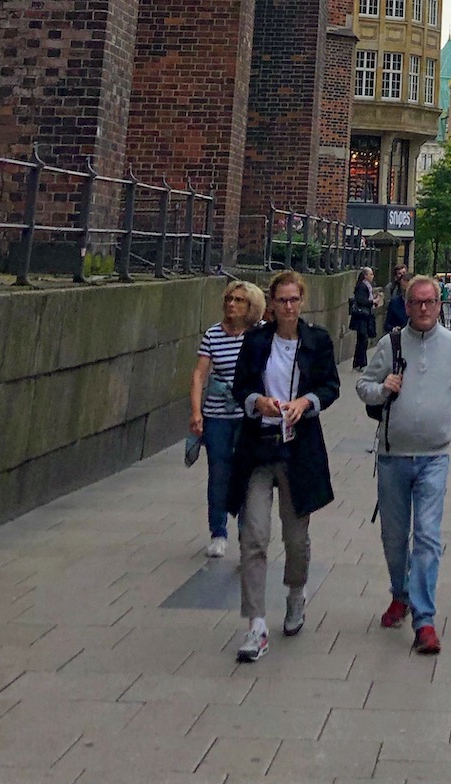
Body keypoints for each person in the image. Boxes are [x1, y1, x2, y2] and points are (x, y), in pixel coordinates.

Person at [358, 274, 451, 656]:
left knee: (427, 536)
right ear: (407, 306)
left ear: (440, 305)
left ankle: (424, 619)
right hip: (393, 457)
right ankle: (401, 593)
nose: (424, 308)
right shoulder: (390, 344)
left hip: (434, 458)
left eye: (430, 302)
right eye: (417, 302)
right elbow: (363, 386)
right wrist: (382, 389)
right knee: (395, 537)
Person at [226, 270, 340, 663]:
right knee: (254, 535)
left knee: (295, 536)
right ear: (271, 304)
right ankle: (256, 623)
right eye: (281, 300)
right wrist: (257, 401)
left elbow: (330, 386)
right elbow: (240, 386)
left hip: (298, 450)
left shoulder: (317, 340)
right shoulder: (257, 341)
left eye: (294, 300)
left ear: (301, 301)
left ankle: (295, 592)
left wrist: (305, 403)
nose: (288, 307)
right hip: (259, 448)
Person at [188, 279, 264, 559]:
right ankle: (218, 532)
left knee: (246, 475)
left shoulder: (259, 334)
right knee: (219, 473)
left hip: (248, 416)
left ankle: (247, 534)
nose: (231, 304)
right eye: (228, 299)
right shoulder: (213, 334)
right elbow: (199, 374)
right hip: (218, 415)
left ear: (251, 306)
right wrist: (196, 412)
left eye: (238, 300)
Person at [349, 268, 376, 370]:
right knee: (362, 339)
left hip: (365, 315)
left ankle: (358, 363)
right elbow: (361, 301)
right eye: (371, 274)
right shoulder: (362, 286)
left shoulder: (367, 286)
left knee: (362, 339)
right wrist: (373, 302)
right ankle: (361, 363)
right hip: (361, 316)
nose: (372, 276)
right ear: (365, 275)